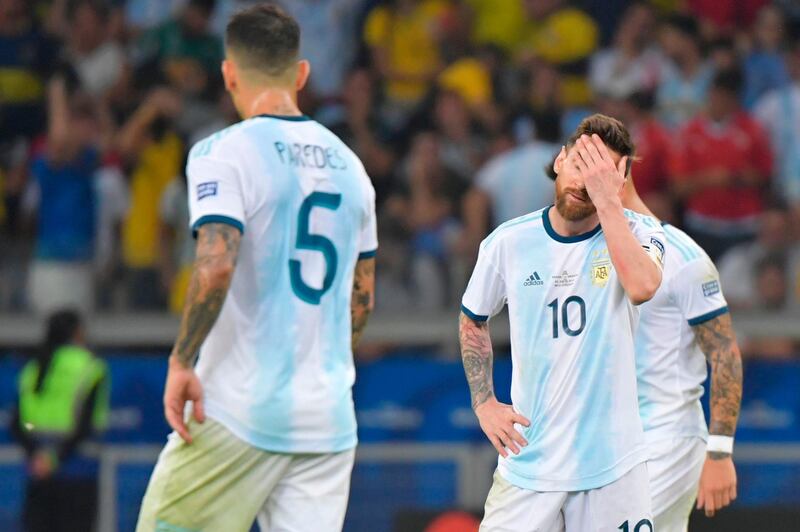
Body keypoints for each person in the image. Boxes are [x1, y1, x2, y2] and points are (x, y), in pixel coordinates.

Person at [136, 5, 378, 531]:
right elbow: (361, 297)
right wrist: (322, 365)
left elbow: (216, 263)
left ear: (228, 74)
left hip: (240, 409)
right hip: (328, 421)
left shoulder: (222, 152)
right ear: (303, 73)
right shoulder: (352, 167)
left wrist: (182, 361)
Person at [459, 114, 664, 531]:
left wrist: (609, 200)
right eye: (578, 164)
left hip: (615, 467)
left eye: (599, 171)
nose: (583, 179)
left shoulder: (642, 232)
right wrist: (484, 403)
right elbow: (472, 320)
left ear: (618, 181)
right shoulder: (508, 242)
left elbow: (643, 286)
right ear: (558, 160)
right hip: (530, 466)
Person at [622, 171, 743, 531]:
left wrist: (720, 450)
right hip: (609, 443)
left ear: (621, 169)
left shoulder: (683, 257)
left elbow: (724, 354)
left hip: (667, 436)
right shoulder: (585, 254)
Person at [10, 309, 109, 532]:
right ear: (77, 333)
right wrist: (55, 459)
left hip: (38, 473)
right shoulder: (90, 367)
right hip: (78, 471)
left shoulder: (32, 368)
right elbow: (85, 426)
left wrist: (38, 458)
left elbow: (16, 424)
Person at [669, 68, 772, 261]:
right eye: (718, 96)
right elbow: (678, 187)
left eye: (728, 98)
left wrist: (734, 178)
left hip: (743, 225)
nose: (721, 103)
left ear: (735, 100)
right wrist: (710, 179)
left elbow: (764, 176)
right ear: (711, 94)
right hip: (701, 225)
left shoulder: (752, 129)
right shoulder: (689, 132)